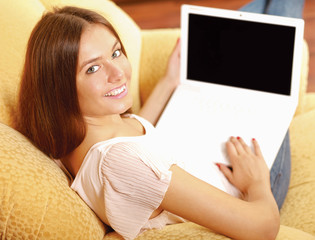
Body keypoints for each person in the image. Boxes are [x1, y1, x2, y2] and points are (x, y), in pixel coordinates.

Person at [15, 0, 304, 239]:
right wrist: (257, 184)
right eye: (92, 69)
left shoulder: (75, 135)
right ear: (59, 86)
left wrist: (169, 81)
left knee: (255, 18)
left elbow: (127, 133)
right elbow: (263, 228)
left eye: (116, 53)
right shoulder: (125, 164)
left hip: (200, 154)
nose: (117, 73)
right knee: (279, 14)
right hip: (242, 192)